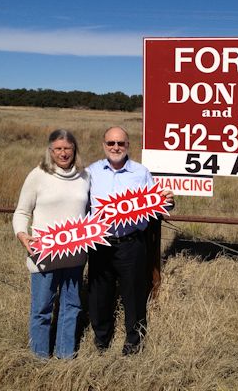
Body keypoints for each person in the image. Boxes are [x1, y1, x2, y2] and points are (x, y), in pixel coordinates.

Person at [87, 125, 173, 355]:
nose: (116, 147)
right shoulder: (91, 172)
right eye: (111, 143)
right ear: (103, 145)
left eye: (120, 143)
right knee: (100, 294)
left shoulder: (141, 172)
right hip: (100, 244)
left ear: (128, 145)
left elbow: (159, 202)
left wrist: (167, 200)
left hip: (132, 243)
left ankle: (134, 342)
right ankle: (101, 341)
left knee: (134, 294)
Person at [12, 129, 90, 359]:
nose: (63, 153)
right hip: (44, 256)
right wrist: (22, 234)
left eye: (67, 148)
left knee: (72, 307)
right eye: (58, 149)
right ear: (50, 150)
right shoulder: (37, 175)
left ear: (75, 149)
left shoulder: (85, 176)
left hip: (75, 255)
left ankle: (65, 355)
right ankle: (40, 358)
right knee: (42, 309)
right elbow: (22, 212)